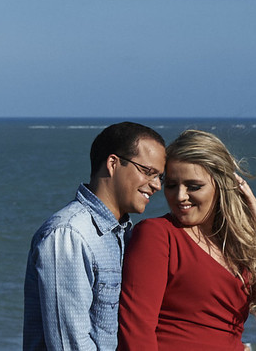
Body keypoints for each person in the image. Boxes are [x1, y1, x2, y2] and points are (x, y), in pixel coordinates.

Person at [118, 129, 256, 350]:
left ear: (219, 186)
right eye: (172, 185)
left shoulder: (239, 246)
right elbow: (136, 331)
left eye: (194, 186)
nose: (180, 196)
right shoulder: (157, 234)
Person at [23, 121, 166, 351]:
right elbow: (68, 345)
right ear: (113, 163)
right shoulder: (69, 234)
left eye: (160, 176)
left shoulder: (123, 235)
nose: (157, 185)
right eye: (148, 172)